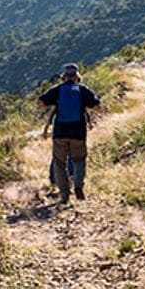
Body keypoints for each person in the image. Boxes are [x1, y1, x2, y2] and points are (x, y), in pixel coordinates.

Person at [38, 63, 101, 202]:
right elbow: (97, 105)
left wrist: (56, 104)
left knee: (59, 163)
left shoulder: (58, 89)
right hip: (78, 132)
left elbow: (41, 102)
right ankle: (78, 185)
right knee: (79, 160)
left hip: (60, 132)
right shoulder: (82, 89)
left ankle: (64, 194)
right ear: (77, 76)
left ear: (64, 76)